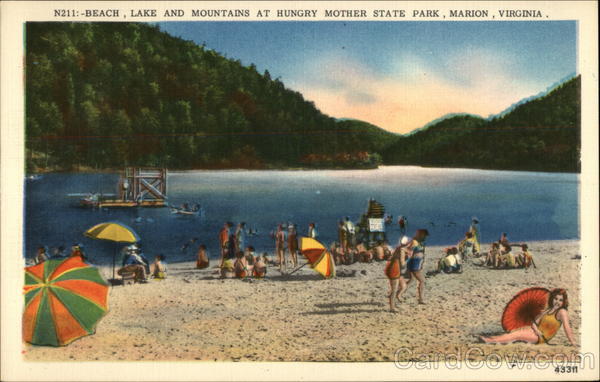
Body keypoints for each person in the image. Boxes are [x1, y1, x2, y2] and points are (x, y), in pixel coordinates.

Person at [480, 288, 576, 346]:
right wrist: (537, 330)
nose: (557, 302)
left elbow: (567, 328)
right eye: (555, 299)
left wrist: (572, 342)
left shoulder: (562, 312)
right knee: (517, 332)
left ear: (564, 302)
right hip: (535, 331)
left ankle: (489, 340)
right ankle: (492, 338)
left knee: (516, 335)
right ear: (552, 299)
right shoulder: (548, 310)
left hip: (541, 338)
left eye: (560, 300)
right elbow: (534, 323)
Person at [399, 229, 429, 304]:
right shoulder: (415, 242)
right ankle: (421, 299)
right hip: (414, 264)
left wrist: (421, 263)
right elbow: (408, 251)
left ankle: (399, 293)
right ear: (420, 235)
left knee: (412, 280)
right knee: (422, 281)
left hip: (417, 264)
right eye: (424, 235)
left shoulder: (421, 242)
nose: (425, 237)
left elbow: (422, 253)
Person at [385, 236, 411, 312]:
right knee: (394, 289)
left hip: (395, 268)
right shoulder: (402, 250)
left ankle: (395, 299)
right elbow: (402, 263)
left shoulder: (399, 248)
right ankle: (392, 307)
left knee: (403, 286)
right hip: (395, 269)